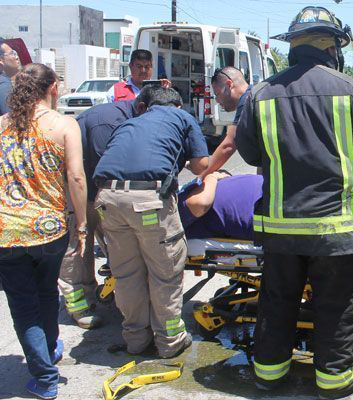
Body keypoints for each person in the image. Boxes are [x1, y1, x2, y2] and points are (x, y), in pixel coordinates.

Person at [235, 7, 353, 398]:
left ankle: (269, 375)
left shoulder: (259, 95)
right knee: (336, 307)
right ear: (331, 47)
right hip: (335, 231)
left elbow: (249, 151)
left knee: (276, 304)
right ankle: (334, 381)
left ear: (293, 47)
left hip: (281, 230)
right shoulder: (351, 89)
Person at [93, 86, 209, 359]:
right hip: (148, 202)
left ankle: (135, 340)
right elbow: (201, 164)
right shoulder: (182, 118)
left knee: (126, 274)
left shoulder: (130, 123)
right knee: (164, 272)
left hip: (106, 201)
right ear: (177, 105)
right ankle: (170, 341)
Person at [0, 63, 87, 400]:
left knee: (24, 304)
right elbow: (76, 177)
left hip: (8, 231)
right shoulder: (65, 124)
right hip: (50, 229)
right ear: (52, 88)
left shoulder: (3, 126)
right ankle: (46, 367)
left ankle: (45, 363)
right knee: (47, 292)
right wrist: (81, 224)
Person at [57, 88, 154, 330]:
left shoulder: (129, 119)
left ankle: (107, 292)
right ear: (142, 108)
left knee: (114, 241)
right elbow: (106, 169)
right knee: (80, 245)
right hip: (81, 190)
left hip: (98, 191)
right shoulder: (108, 121)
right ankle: (79, 302)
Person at [178, 172, 353, 244]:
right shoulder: (175, 208)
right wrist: (212, 177)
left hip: (279, 193)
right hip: (274, 212)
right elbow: (199, 204)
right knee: (342, 197)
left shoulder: (180, 190)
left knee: (343, 185)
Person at [200, 67, 252, 178]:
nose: (217, 101)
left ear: (229, 85)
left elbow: (228, 146)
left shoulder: (248, 100)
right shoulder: (254, 94)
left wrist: (198, 180)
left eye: (217, 94)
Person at [0, 38, 22, 116]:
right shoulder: (3, 85)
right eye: (12, 53)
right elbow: (12, 119)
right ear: (1, 60)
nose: (16, 57)